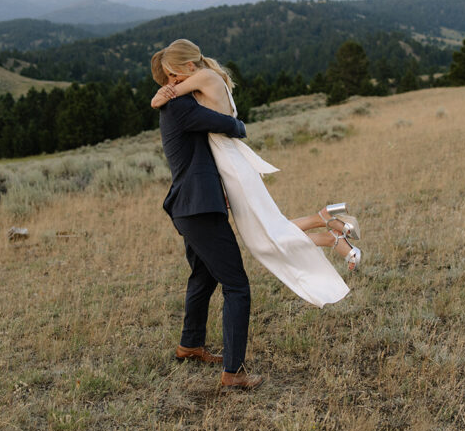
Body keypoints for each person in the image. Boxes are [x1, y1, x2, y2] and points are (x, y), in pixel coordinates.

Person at [150, 39, 362, 312]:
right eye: (168, 76)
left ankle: (331, 235)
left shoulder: (203, 76)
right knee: (267, 233)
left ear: (189, 65)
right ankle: (325, 222)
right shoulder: (208, 76)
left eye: (172, 74)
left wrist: (160, 96)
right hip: (229, 165)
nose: (171, 81)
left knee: (264, 241)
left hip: (232, 165)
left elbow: (161, 98)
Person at [154, 56, 264, 390]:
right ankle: (234, 373)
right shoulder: (182, 107)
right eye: (170, 77)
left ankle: (190, 345)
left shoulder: (180, 104)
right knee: (237, 286)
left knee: (203, 275)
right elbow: (229, 125)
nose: (174, 82)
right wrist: (242, 125)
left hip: (191, 206)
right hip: (198, 207)